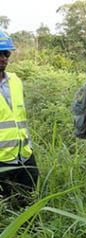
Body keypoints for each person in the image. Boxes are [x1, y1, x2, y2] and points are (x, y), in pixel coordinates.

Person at [0, 31, 39, 207]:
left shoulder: (15, 81)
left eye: (6, 53)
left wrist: (28, 146)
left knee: (29, 197)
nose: (3, 58)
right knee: (5, 203)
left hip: (23, 154)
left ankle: (29, 230)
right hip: (1, 158)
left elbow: (19, 118)